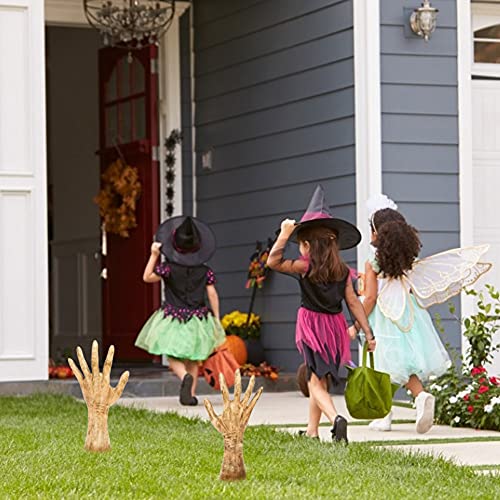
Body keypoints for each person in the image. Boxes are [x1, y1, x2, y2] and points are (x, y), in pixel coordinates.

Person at [350, 195, 491, 433]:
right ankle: (420, 395)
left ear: (377, 234)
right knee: (400, 364)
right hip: (408, 314)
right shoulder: (404, 260)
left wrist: (356, 324)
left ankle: (385, 414)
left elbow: (371, 298)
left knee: (383, 364)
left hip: (382, 317)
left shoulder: (372, 262)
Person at [267, 185, 375, 443]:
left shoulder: (304, 266)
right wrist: (367, 333)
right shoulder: (343, 271)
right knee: (320, 377)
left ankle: (335, 418)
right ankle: (311, 431)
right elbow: (353, 303)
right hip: (335, 328)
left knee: (314, 381)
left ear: (306, 246)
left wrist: (284, 235)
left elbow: (272, 262)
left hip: (311, 327)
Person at [135, 216, 225, 406]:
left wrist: (153, 255)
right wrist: (216, 317)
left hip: (173, 317)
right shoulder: (204, 271)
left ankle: (184, 377)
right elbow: (212, 294)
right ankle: (189, 395)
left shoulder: (168, 268)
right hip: (198, 318)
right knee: (194, 358)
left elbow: (147, 277)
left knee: (171, 356)